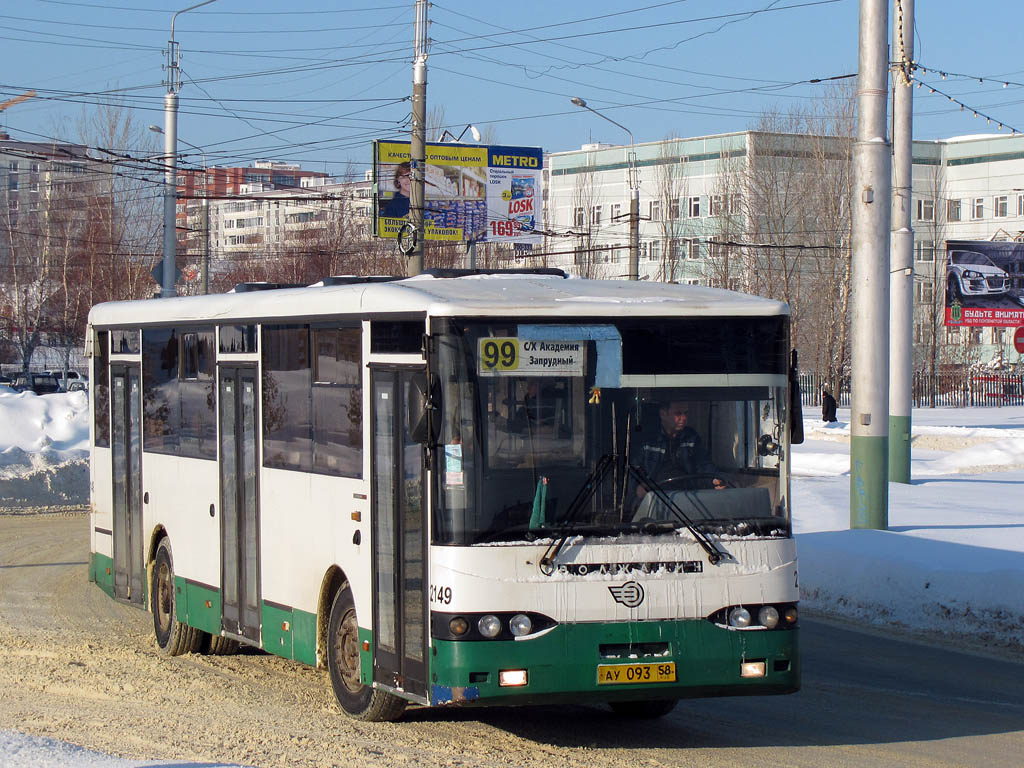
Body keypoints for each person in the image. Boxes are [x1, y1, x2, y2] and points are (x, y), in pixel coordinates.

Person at [632, 401, 724, 503]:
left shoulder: (691, 437)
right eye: (678, 413)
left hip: (689, 499)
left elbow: (703, 463)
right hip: (656, 501)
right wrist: (638, 487)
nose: (684, 418)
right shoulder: (648, 440)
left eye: (686, 413)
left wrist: (714, 479)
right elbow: (633, 471)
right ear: (663, 414)